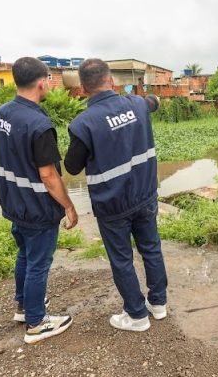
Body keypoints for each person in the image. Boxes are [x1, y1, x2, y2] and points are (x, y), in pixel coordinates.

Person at [64, 58, 168, 332]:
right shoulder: (136, 104)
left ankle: (136, 315)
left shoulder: (83, 123)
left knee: (122, 258)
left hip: (112, 205)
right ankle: (158, 304)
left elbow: (72, 166)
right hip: (145, 195)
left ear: (83, 89)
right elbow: (153, 101)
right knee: (151, 248)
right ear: (111, 81)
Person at [0, 56, 78, 344]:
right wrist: (67, 204)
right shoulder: (39, 124)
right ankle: (37, 323)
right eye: (49, 81)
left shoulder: (3, 113)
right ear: (42, 83)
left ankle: (23, 307)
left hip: (13, 202)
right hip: (36, 207)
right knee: (39, 263)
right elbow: (48, 175)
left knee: (25, 256)